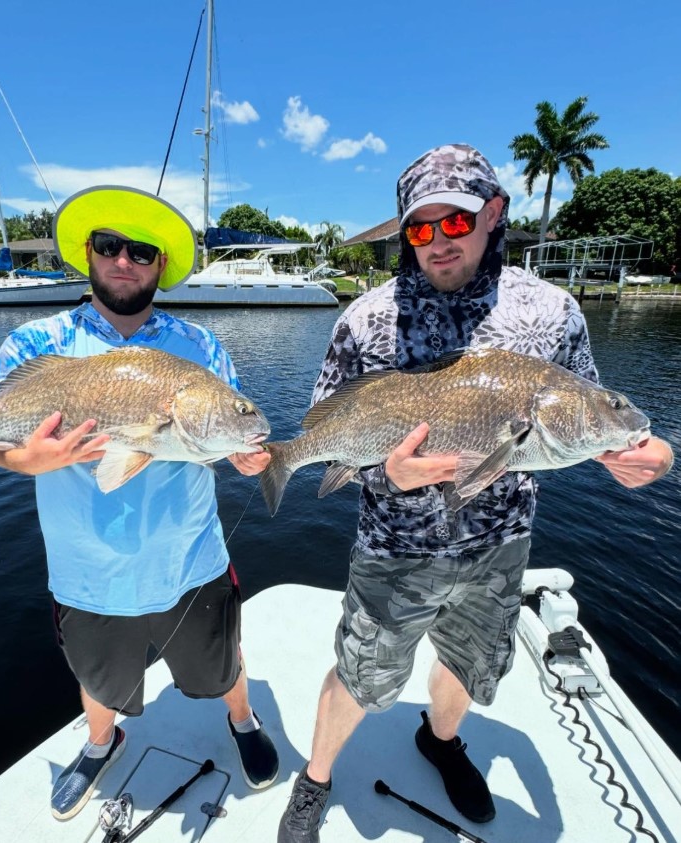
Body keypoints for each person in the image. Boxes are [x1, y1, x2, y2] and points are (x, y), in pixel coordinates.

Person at [277, 144, 674, 843]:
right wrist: (381, 473)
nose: (436, 242)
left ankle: (440, 740)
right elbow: (330, 422)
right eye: (419, 229)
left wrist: (645, 451)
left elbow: (591, 410)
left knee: (464, 665)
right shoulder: (363, 319)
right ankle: (315, 776)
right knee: (362, 671)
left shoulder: (553, 313)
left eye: (453, 222)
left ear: (493, 213)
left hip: (499, 546)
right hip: (393, 547)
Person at [0, 185, 279, 821]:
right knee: (96, 677)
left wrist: (246, 453)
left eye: (141, 251)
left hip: (190, 558)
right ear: (88, 253)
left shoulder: (202, 348)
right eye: (110, 246)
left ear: (160, 265)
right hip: (87, 568)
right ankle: (99, 741)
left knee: (223, 663)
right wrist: (21, 459)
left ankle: (243, 721)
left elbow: (228, 428)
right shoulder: (34, 343)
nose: (124, 261)